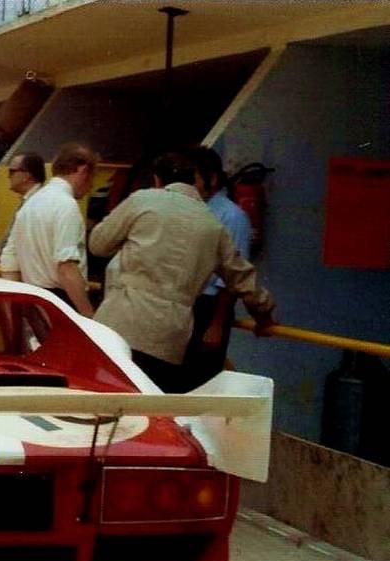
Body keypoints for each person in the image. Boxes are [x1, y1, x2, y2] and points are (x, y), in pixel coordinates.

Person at [89, 152, 275, 393]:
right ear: (193, 181)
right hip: (169, 336)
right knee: (151, 405)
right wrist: (264, 315)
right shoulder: (213, 226)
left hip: (120, 320)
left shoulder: (142, 201)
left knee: (107, 400)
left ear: (157, 180)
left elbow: (98, 245)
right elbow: (243, 279)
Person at [182, 145, 255, 391]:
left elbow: (232, 278)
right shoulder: (191, 208)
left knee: (200, 382)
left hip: (210, 308)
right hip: (186, 304)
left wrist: (216, 324)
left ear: (211, 179)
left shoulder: (232, 217)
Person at [0, 143, 97, 316]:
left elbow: (9, 261)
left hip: (33, 300)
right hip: (63, 302)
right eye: (92, 177)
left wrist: (13, 310)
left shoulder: (30, 204)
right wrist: (88, 316)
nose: (91, 186)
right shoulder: (67, 205)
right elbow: (66, 268)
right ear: (82, 171)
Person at [0, 151, 46, 278]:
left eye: (12, 172)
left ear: (26, 175)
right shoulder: (33, 200)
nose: (8, 176)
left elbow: (6, 243)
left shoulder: (36, 203)